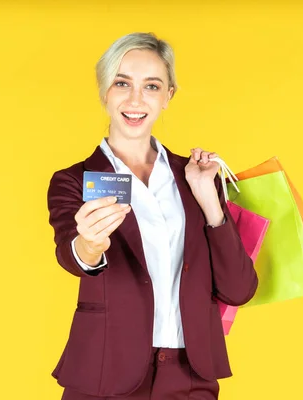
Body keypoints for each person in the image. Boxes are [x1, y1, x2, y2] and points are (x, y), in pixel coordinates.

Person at [46, 32, 258, 400]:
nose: (135, 99)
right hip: (104, 371)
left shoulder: (196, 177)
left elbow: (239, 289)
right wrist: (89, 245)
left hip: (190, 374)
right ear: (104, 91)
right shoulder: (74, 180)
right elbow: (71, 253)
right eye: (122, 83)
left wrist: (210, 203)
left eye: (152, 86)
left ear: (168, 97)